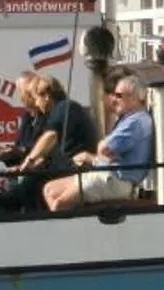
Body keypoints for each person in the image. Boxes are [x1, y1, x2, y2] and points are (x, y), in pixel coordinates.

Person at [44, 72, 154, 212]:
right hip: (107, 175)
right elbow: (106, 151)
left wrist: (92, 157)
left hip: (116, 180)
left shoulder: (137, 121)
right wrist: (102, 156)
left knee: (60, 205)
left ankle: (68, 232)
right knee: (50, 189)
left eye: (119, 95)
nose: (114, 99)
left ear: (134, 98)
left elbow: (104, 148)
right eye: (114, 95)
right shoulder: (129, 119)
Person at [0, 73, 95, 213]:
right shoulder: (58, 111)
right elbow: (48, 153)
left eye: (36, 99)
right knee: (31, 179)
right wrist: (22, 167)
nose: (37, 105)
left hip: (76, 166)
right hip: (65, 165)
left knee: (32, 182)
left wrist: (29, 160)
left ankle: (13, 205)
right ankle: (10, 204)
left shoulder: (65, 107)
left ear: (46, 95)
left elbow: (50, 136)